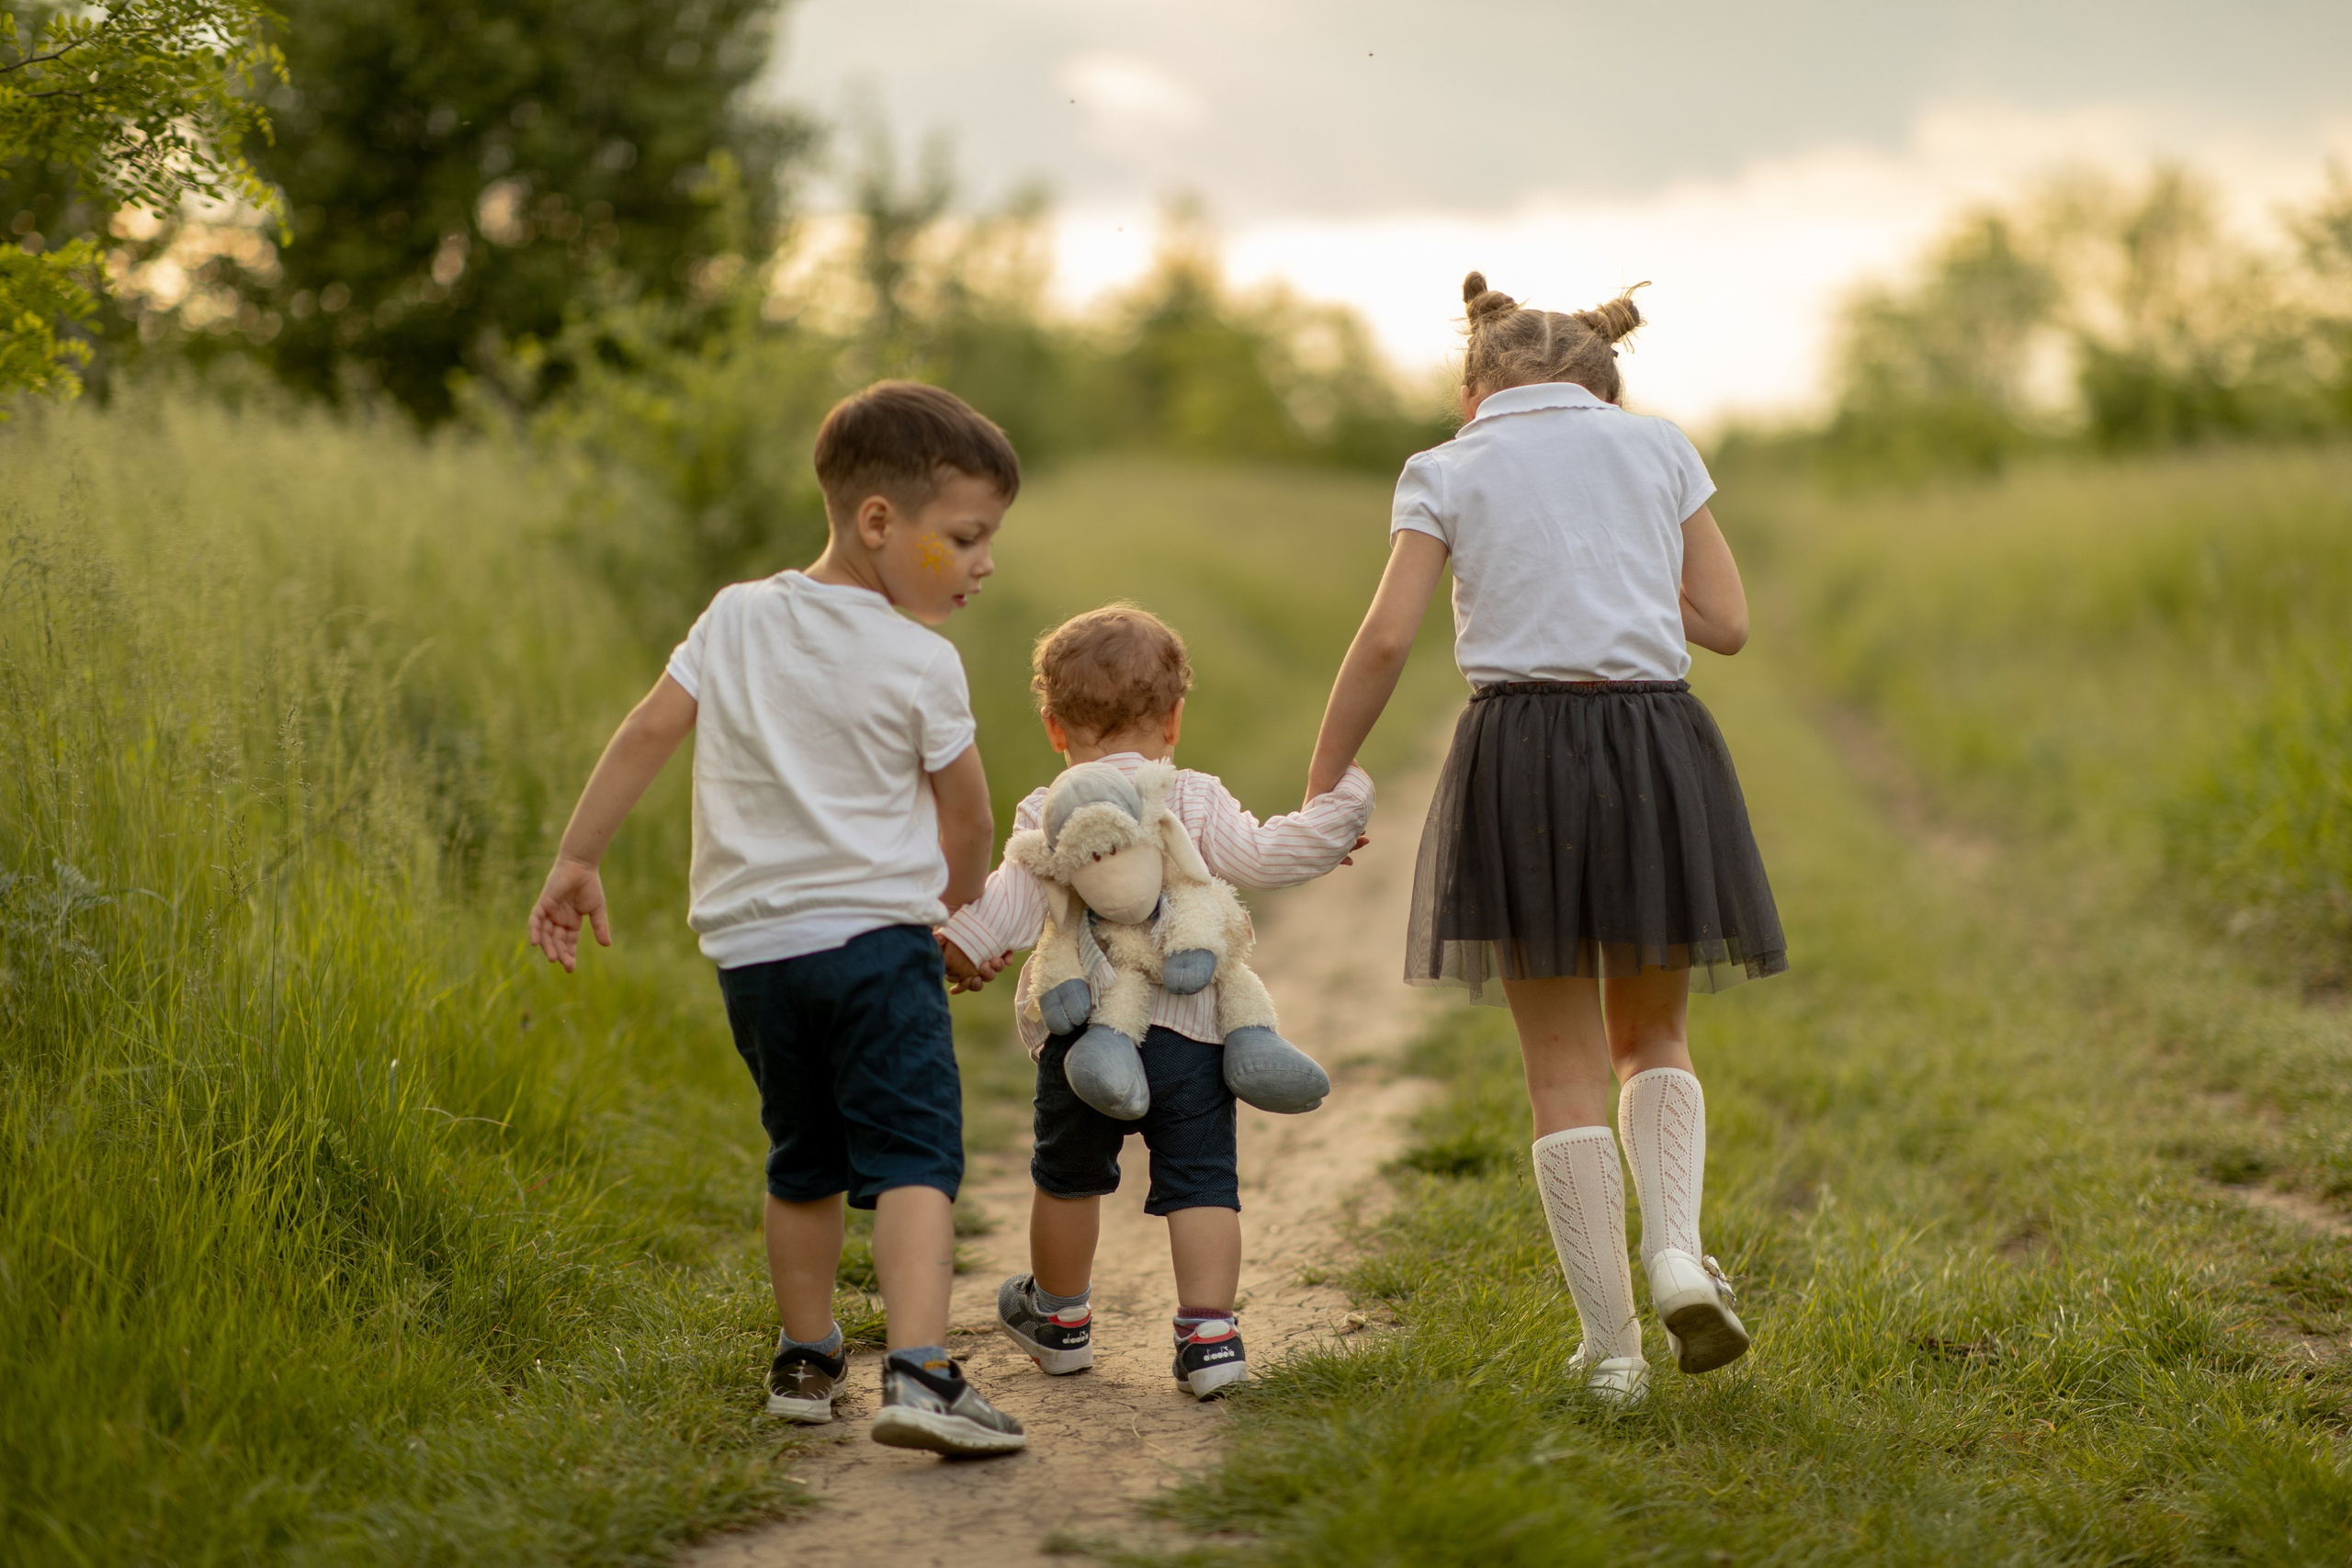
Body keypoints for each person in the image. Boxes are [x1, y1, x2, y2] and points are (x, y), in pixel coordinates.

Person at [1304, 274, 1786, 1408]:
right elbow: (1724, 625)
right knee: (1652, 1032)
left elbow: (1383, 641)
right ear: (1602, 384)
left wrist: (1327, 779)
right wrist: (1612, 575)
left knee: (1558, 1065)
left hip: (1518, 752)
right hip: (1656, 743)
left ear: (1475, 392)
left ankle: (1613, 1353)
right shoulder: (1659, 448)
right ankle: (1675, 1254)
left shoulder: (1446, 467)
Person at [526, 381, 1030, 1456]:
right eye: (967, 537)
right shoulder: (920, 660)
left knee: (802, 1159)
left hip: (755, 959)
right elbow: (971, 816)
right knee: (911, 1159)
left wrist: (578, 858)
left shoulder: (735, 615)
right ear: (879, 521)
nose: (985, 562)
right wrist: (956, 911)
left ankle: (806, 1361)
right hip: (876, 949)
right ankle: (923, 1377)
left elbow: (648, 733)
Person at [938, 605, 1374, 1399]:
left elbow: (1006, 903)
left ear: (1053, 727)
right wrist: (1339, 819)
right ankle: (1210, 1337)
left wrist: (958, 948)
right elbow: (1271, 853)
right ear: (1174, 720)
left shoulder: (1050, 809)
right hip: (1196, 1027)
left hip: (1081, 1036)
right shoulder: (1195, 798)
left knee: (1067, 1174)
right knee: (1202, 1176)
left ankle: (1061, 1320)